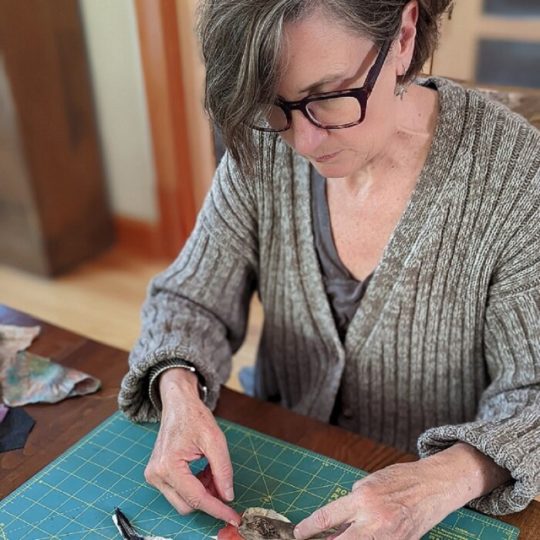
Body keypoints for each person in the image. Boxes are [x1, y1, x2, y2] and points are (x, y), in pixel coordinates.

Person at [118, 0, 540, 537]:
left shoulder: (519, 180)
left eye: (329, 97)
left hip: (432, 504)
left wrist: (449, 476)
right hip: (279, 454)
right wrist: (177, 389)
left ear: (404, 36)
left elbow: (535, 390)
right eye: (276, 106)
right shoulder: (263, 146)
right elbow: (189, 298)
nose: (303, 141)